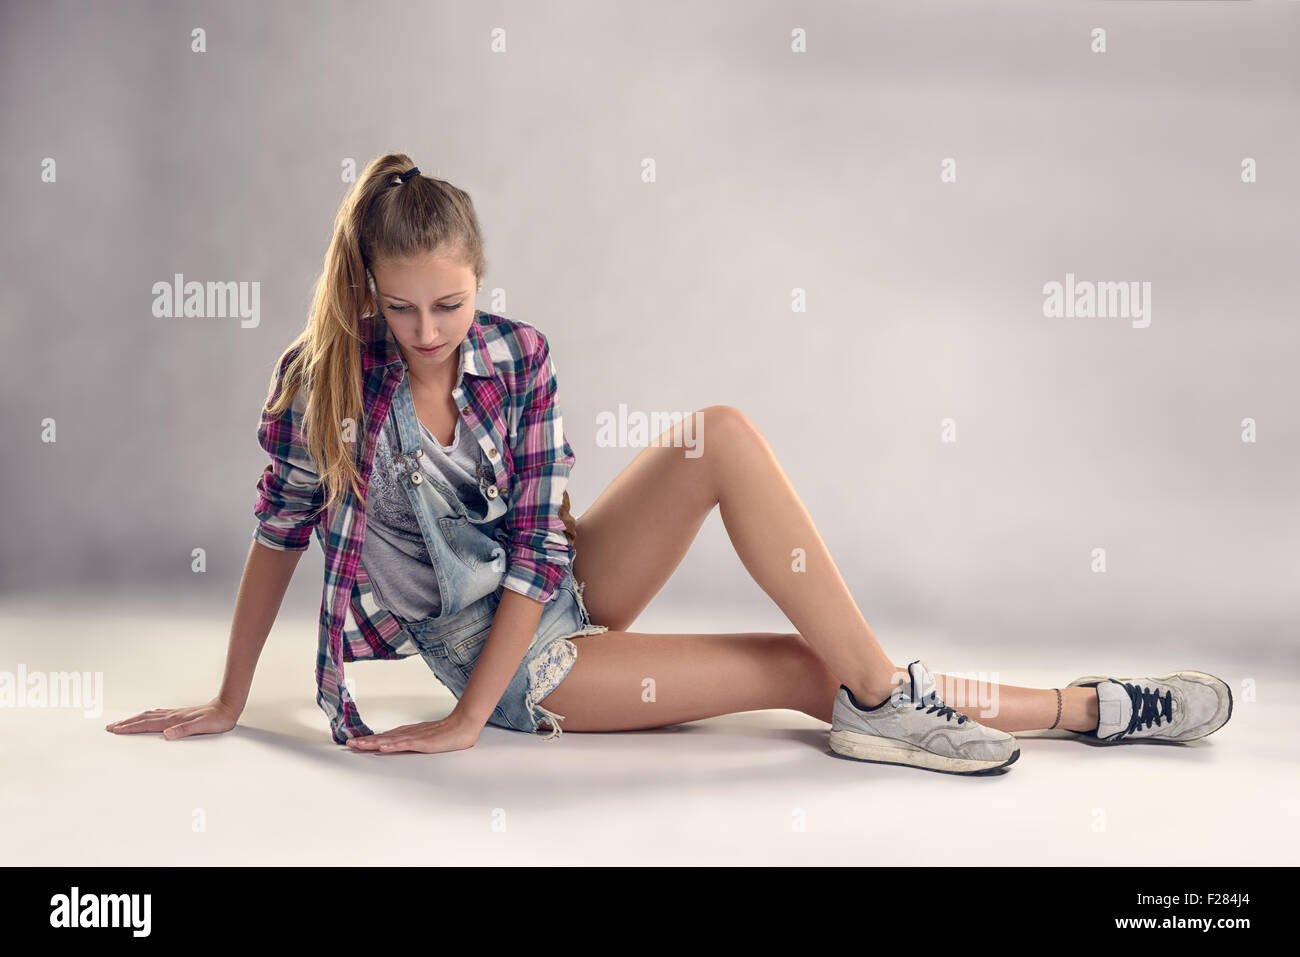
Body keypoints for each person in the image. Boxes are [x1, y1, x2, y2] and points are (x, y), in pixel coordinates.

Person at [105, 152, 1233, 775]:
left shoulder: (515, 357)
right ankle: (1093, 710)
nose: (428, 330)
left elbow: (543, 549)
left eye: (449, 303)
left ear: (480, 281)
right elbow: (277, 534)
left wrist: (550, 596)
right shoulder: (328, 379)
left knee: (721, 433)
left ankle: (887, 698)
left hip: (548, 586)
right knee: (810, 672)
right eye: (400, 309)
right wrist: (239, 697)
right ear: (366, 291)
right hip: (507, 666)